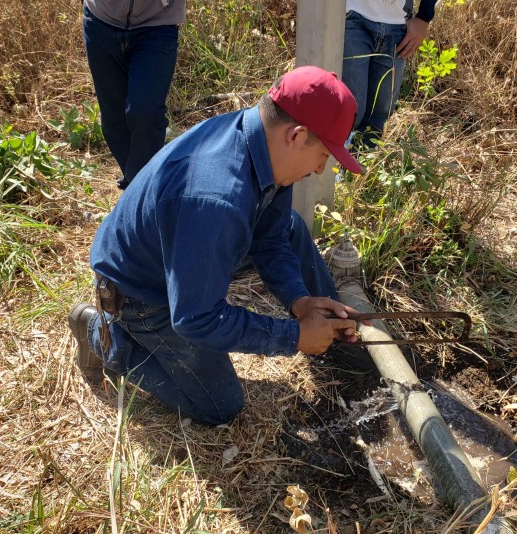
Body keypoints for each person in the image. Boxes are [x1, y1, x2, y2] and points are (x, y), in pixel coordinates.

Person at [68, 66, 372, 426]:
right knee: (219, 405)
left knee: (291, 229)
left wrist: (299, 301)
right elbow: (197, 318)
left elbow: (272, 236)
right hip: (140, 292)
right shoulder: (215, 197)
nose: (322, 168)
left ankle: (331, 332)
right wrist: (294, 336)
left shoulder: (265, 142)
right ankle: (101, 336)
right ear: (297, 134)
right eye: (324, 154)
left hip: (179, 247)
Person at [82, 0, 185, 189]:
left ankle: (141, 191)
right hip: (100, 22)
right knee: (114, 120)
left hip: (157, 24)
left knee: (146, 112)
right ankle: (136, 184)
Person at [342, 0, 437, 147]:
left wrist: (424, 16)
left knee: (379, 114)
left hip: (398, 24)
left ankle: (362, 167)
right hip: (351, 16)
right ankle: (334, 167)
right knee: (350, 110)